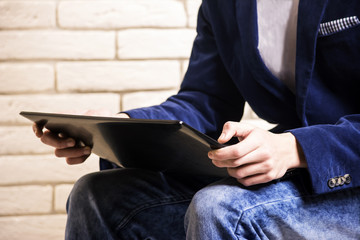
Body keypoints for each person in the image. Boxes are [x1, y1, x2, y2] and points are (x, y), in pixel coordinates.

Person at [33, 0, 360, 239]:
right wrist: (115, 125)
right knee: (97, 194)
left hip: (348, 166)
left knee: (221, 207)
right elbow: (207, 99)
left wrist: (297, 148)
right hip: (294, 173)